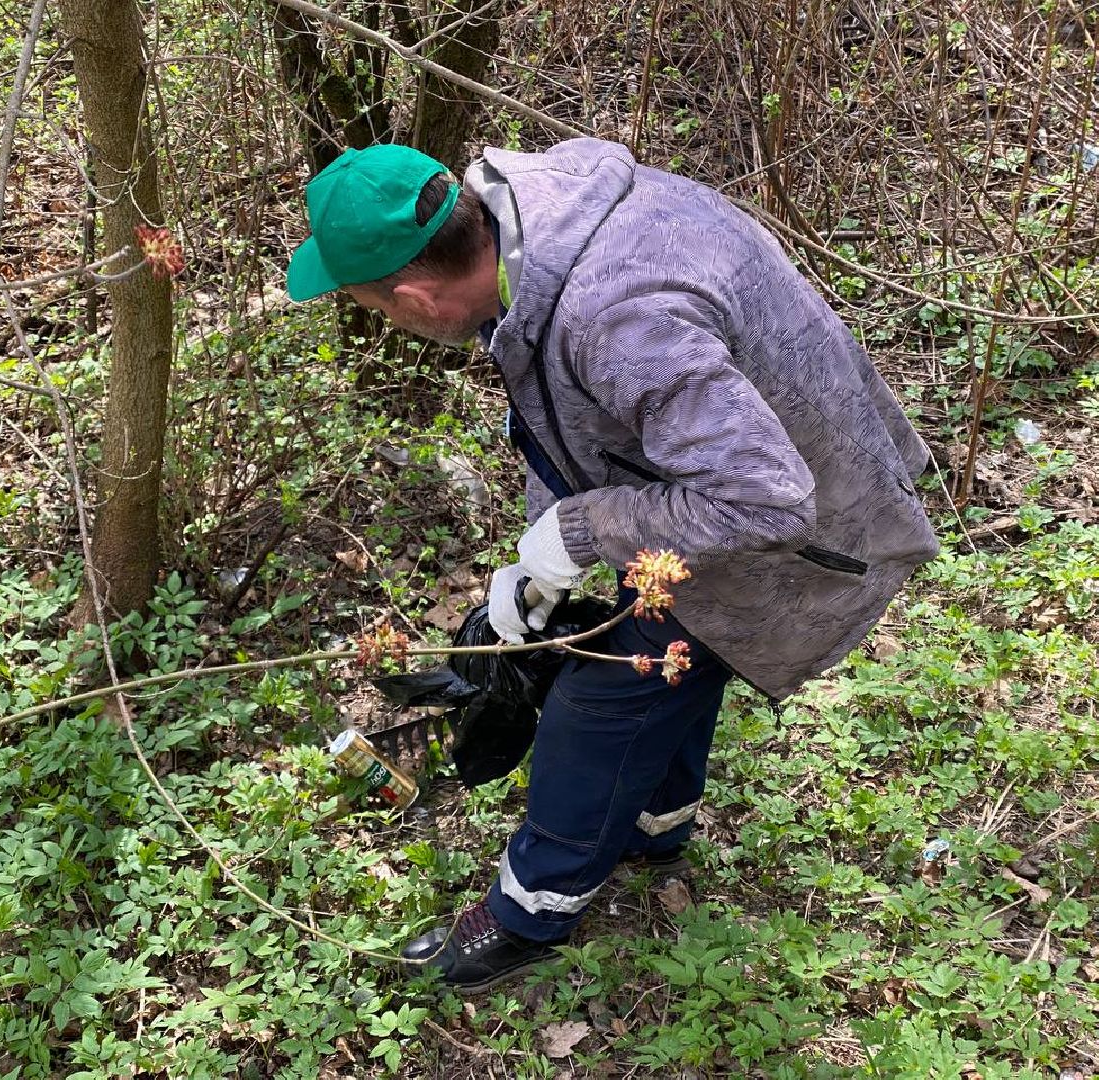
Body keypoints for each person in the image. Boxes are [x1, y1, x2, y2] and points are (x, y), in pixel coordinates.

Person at [286, 139, 938, 994]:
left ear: (413, 296)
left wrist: (585, 529)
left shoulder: (612, 313)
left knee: (598, 710)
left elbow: (768, 500)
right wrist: (540, 554)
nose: (387, 319)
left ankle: (531, 910)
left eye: (376, 308)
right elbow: (567, 402)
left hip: (803, 526)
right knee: (659, 666)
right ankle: (654, 825)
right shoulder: (534, 229)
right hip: (710, 480)